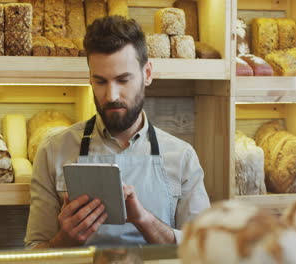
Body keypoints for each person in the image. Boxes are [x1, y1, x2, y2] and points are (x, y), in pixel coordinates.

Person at [25, 16, 210, 248]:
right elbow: (34, 252)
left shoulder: (182, 157)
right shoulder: (53, 150)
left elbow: (204, 250)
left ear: (148, 74)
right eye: (100, 81)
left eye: (123, 80)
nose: (111, 95)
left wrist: (144, 220)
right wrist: (65, 239)